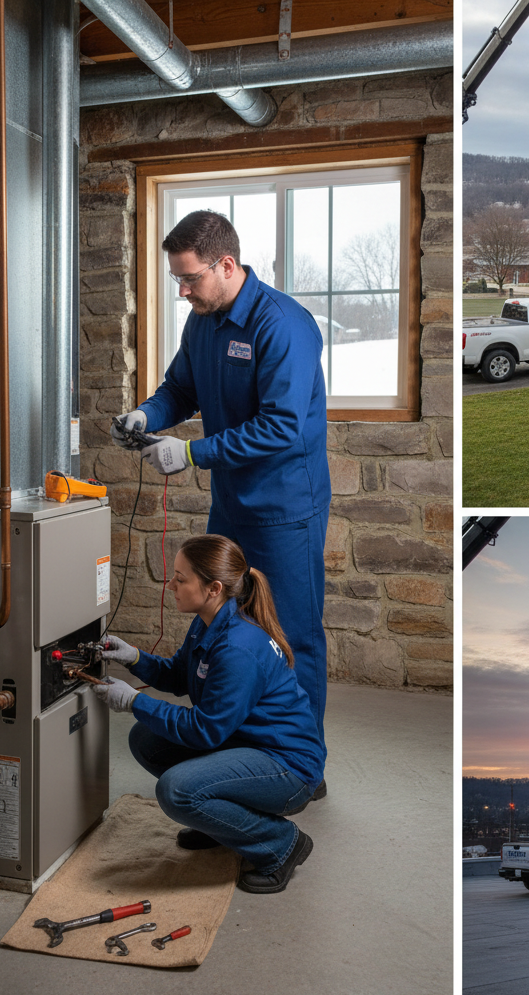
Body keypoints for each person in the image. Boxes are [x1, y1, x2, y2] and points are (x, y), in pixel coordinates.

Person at [110, 210, 332, 786]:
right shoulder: (203, 323)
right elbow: (179, 390)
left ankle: (302, 767)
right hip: (232, 503)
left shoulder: (283, 325)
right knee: (225, 622)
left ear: (225, 265)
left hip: (286, 508)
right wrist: (146, 414)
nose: (183, 292)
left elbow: (282, 426)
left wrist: (190, 454)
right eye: (177, 280)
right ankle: (237, 758)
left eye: (190, 279)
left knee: (293, 636)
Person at [92, 534, 324, 895]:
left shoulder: (238, 649)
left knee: (177, 791)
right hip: (247, 743)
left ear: (213, 587)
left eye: (181, 579)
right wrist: (134, 658)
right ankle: (220, 824)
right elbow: (180, 675)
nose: (172, 585)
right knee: (146, 740)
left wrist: (134, 702)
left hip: (287, 768)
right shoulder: (208, 620)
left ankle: (281, 844)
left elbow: (204, 731)